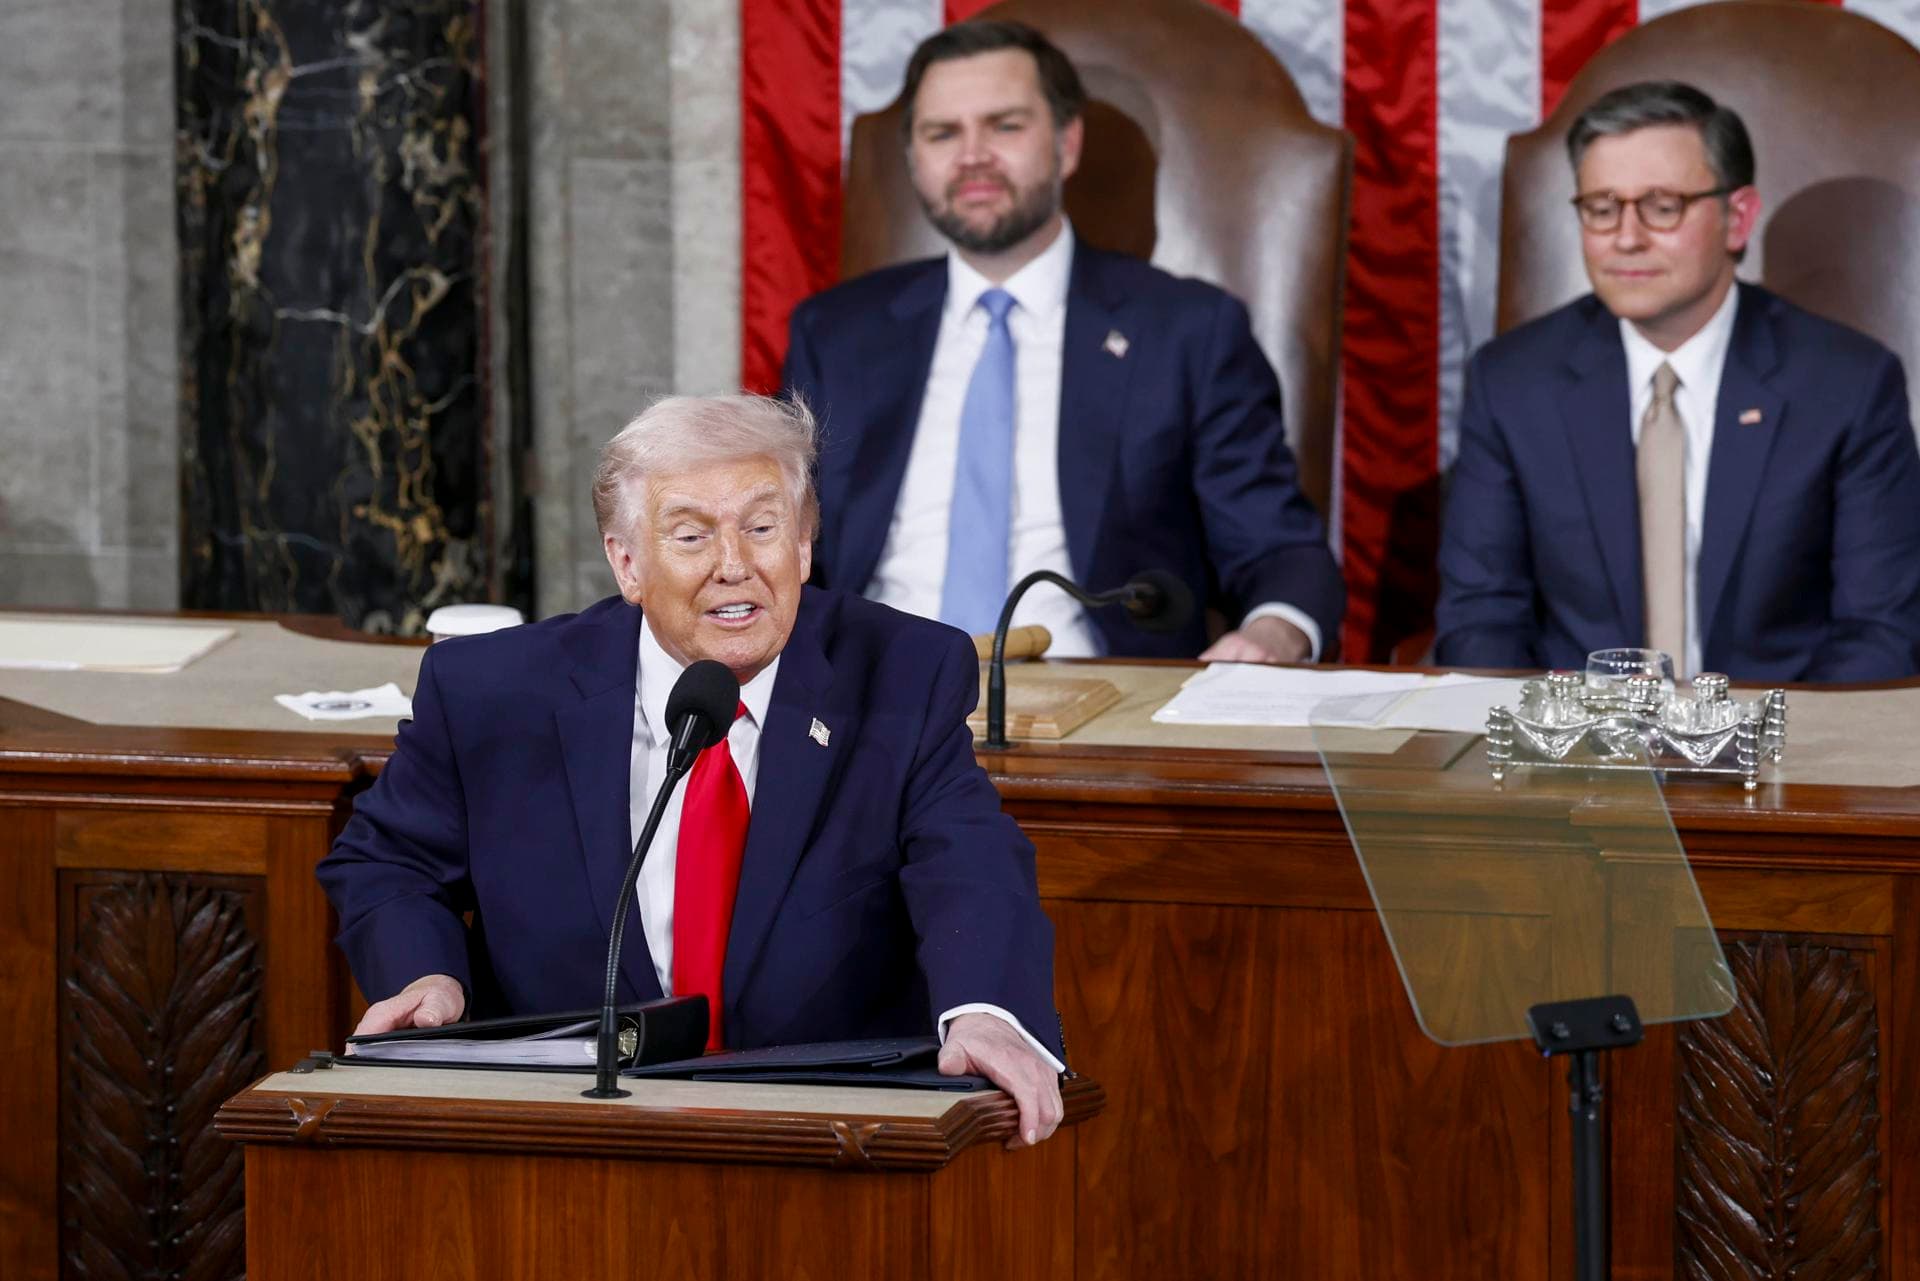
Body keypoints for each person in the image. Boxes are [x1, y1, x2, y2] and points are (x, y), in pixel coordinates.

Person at [319, 394, 1066, 1146]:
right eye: (691, 535)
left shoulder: (904, 675)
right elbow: (388, 860)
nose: (734, 566)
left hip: (822, 1136)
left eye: (763, 528)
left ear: (804, 545)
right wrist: (425, 974)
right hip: (564, 1133)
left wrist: (986, 1011)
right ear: (627, 563)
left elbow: (968, 859)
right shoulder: (492, 694)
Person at [781, 20, 1343, 663]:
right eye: (943, 133)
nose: (973, 155)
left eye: (1005, 126)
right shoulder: (838, 334)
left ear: (1067, 145)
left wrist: (1271, 635)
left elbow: (1279, 549)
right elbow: (779, 540)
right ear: (915, 159)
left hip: (1103, 697)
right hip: (872, 690)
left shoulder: (1187, 331)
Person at [1435, 80, 1920, 681]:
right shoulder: (1512, 383)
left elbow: (1881, 632)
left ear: (1737, 218)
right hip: (1580, 734)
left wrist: (1763, 736)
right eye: (1602, 208)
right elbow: (1481, 621)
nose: (1627, 238)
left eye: (1662, 206)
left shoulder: (1848, 385)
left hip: (1777, 731)